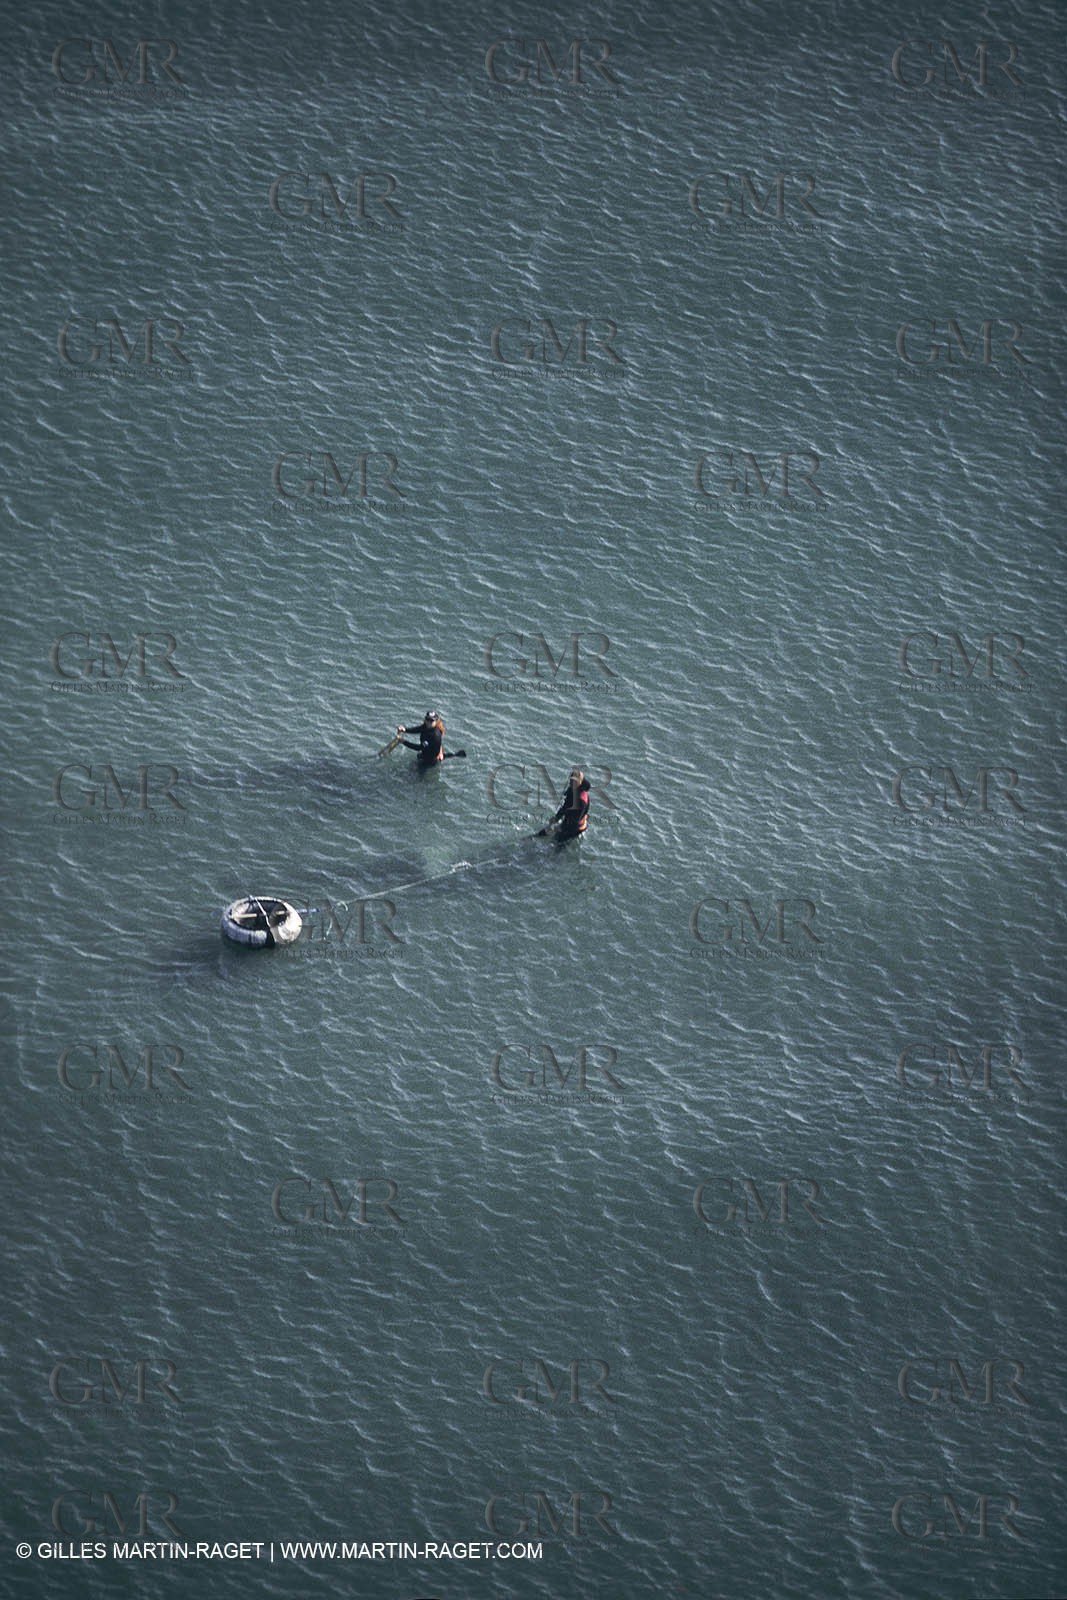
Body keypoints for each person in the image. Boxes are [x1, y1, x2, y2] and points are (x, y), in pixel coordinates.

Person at [546, 767, 590, 842]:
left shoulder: (581, 801)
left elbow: (575, 822)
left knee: (556, 843)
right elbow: (565, 806)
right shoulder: (572, 789)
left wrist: (560, 828)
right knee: (544, 833)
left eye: (575, 781)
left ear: (580, 782)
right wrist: (556, 818)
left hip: (576, 828)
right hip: (569, 818)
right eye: (571, 780)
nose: (572, 783)